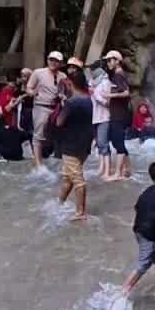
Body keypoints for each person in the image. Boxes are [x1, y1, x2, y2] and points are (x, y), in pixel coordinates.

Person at [122, 161, 155, 295]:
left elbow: (137, 207)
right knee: (144, 263)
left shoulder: (147, 191)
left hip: (139, 230)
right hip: (150, 234)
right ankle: (121, 293)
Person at [55, 70, 94, 221]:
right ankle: (60, 203)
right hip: (84, 143)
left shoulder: (71, 102)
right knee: (68, 177)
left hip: (71, 144)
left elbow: (59, 122)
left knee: (77, 179)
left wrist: (63, 105)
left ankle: (80, 212)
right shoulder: (88, 99)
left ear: (70, 83)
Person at [26, 51, 68, 170]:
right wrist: (32, 93)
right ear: (48, 60)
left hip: (57, 108)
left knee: (58, 134)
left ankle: (57, 160)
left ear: (60, 63)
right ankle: (39, 164)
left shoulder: (63, 76)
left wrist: (63, 96)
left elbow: (64, 91)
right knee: (39, 135)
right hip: (41, 106)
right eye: (51, 60)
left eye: (56, 61)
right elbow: (29, 87)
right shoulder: (38, 73)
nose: (53, 63)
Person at [104, 50, 133, 179]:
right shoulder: (117, 75)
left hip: (119, 115)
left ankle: (118, 174)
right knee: (117, 142)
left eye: (110, 60)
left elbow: (126, 92)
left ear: (117, 61)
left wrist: (110, 95)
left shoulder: (119, 75)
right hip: (118, 114)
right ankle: (127, 168)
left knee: (118, 143)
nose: (108, 63)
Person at [92, 71, 114, 180]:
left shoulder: (106, 82)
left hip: (104, 116)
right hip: (94, 117)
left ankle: (107, 170)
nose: (91, 71)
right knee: (99, 144)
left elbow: (108, 102)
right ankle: (101, 167)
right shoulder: (92, 82)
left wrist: (96, 96)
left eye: (93, 68)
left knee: (103, 143)